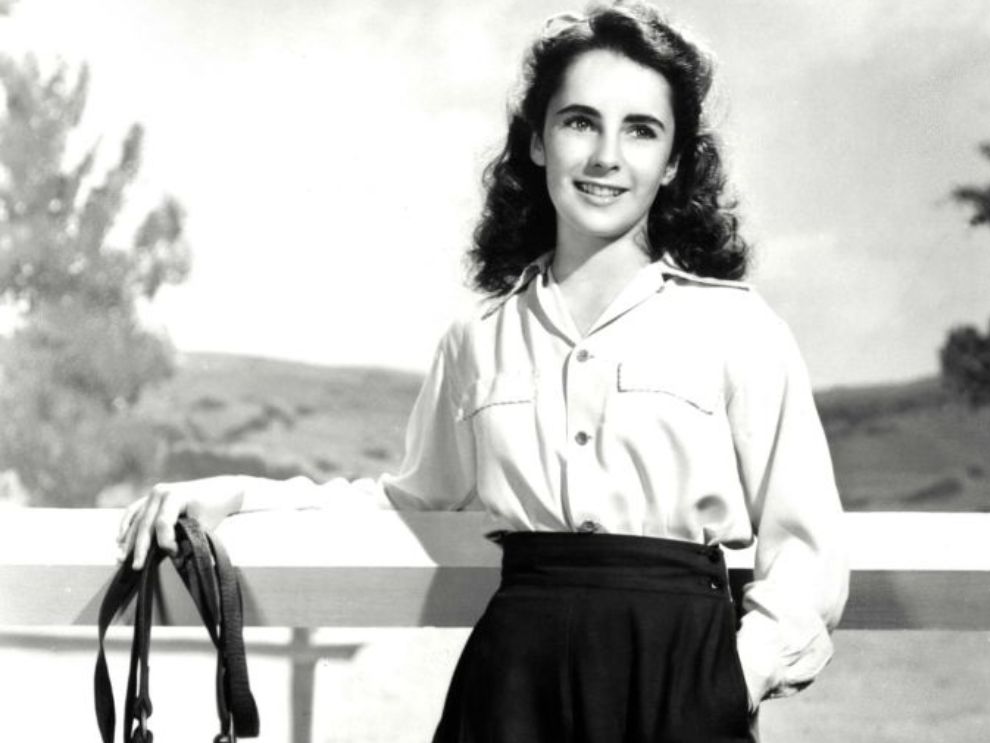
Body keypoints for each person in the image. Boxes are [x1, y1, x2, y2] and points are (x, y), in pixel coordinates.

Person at [115, 2, 849, 741]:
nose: (605, 156)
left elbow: (807, 556)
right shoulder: (478, 337)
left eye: (640, 130)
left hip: (682, 680)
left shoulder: (736, 326)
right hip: (514, 688)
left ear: (675, 162)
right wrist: (236, 494)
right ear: (536, 141)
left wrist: (730, 680)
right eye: (578, 122)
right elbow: (405, 504)